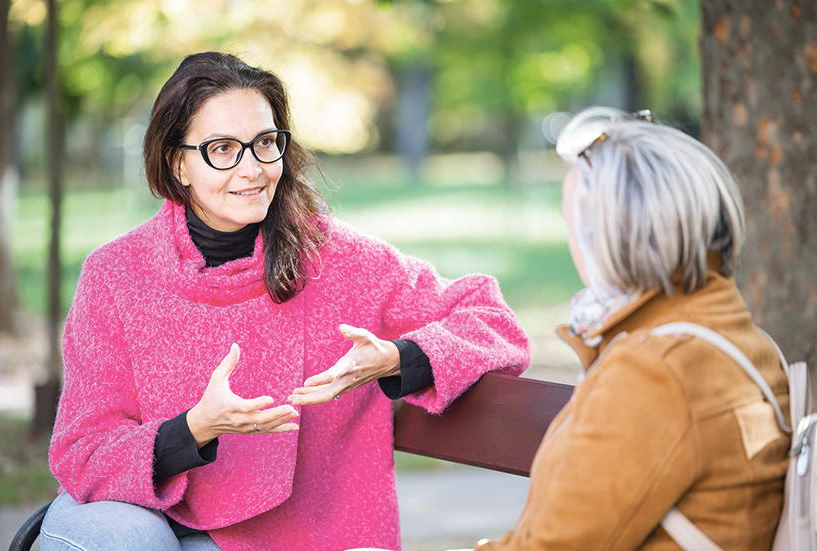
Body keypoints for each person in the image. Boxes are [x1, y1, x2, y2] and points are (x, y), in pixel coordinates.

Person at [40, 52, 530, 551]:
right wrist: (193, 430)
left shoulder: (341, 261)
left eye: (265, 144)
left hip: (293, 535)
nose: (252, 169)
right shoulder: (116, 275)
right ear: (177, 163)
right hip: (150, 522)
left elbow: (492, 320)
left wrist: (398, 359)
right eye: (223, 149)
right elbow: (84, 449)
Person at [469, 107, 791, 550]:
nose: (571, 243)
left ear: (612, 237)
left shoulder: (654, 372)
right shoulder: (732, 336)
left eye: (572, 225)